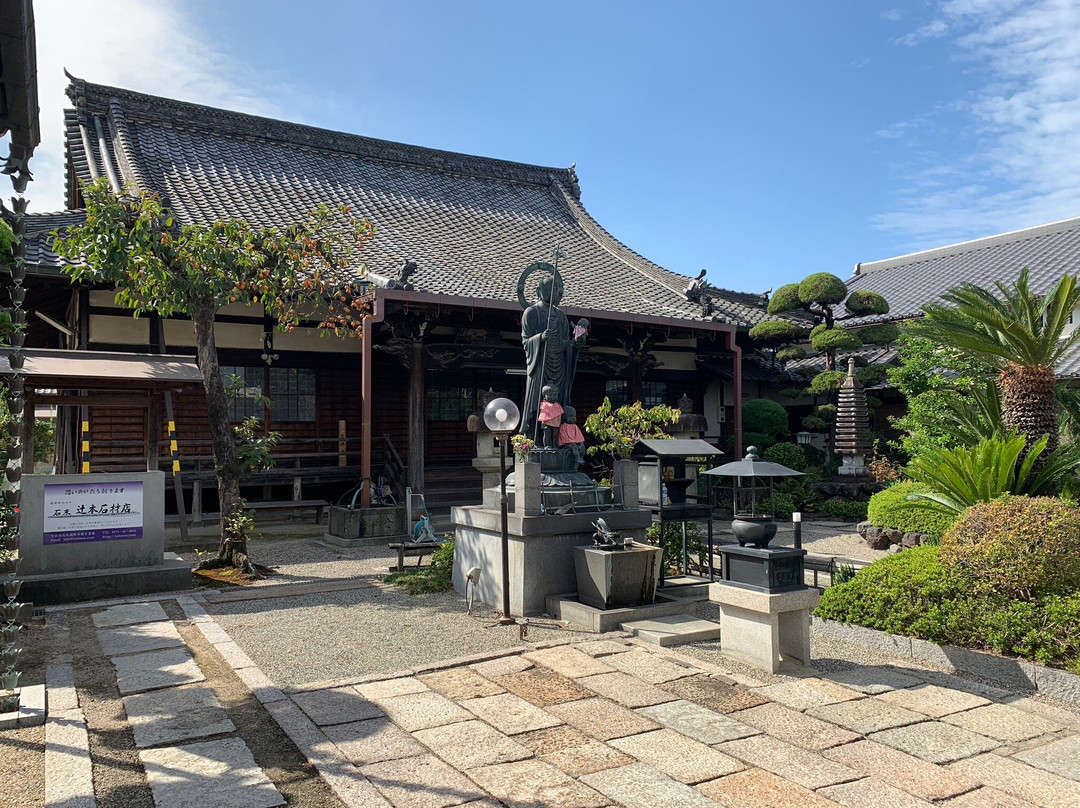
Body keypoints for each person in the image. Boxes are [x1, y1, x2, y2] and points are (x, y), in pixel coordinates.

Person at [521, 273, 584, 439]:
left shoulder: (561, 316)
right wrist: (540, 338)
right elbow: (526, 341)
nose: (553, 292)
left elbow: (565, 343)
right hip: (540, 363)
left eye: (556, 289)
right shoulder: (531, 312)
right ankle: (535, 441)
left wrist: (575, 343)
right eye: (548, 288)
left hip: (559, 365)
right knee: (539, 403)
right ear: (538, 291)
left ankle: (559, 440)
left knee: (559, 402)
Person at [538, 384, 564, 449]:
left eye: (555, 395)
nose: (553, 397)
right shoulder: (545, 404)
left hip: (555, 423)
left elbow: (560, 413)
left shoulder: (557, 405)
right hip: (547, 422)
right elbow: (543, 413)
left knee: (554, 434)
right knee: (547, 434)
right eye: (550, 395)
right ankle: (546, 445)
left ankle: (554, 445)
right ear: (544, 396)